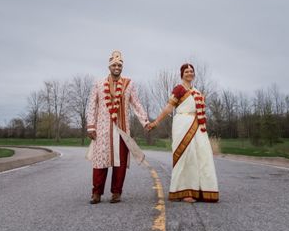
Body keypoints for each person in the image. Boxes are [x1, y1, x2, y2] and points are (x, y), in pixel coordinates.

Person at [147, 63, 219, 203]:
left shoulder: (197, 91)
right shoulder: (179, 89)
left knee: (202, 156)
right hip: (183, 124)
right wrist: (156, 122)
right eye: (186, 71)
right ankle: (185, 191)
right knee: (187, 156)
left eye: (191, 71)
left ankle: (201, 190)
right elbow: (169, 109)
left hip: (198, 126)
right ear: (182, 74)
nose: (189, 73)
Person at [86, 50, 150, 204]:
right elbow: (92, 106)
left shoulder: (129, 84)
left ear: (122, 67)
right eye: (114, 64)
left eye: (119, 65)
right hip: (102, 128)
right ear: (109, 66)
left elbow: (136, 103)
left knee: (120, 162)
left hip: (122, 129)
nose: (117, 67)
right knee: (100, 161)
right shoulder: (99, 83)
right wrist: (91, 126)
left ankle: (116, 192)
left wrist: (145, 121)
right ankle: (96, 193)